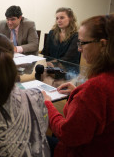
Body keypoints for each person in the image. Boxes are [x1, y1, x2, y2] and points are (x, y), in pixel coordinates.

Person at [42, 14, 114, 157]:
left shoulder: (96, 88)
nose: (79, 49)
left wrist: (47, 105)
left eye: (82, 43)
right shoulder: (103, 81)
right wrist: (78, 93)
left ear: (103, 44)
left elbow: (67, 134)